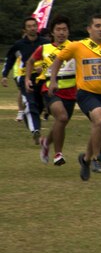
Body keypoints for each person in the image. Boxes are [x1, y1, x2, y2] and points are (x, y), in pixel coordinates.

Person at [47, 14, 101, 181]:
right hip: (86, 93)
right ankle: (95, 159)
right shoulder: (78, 46)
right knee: (100, 120)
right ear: (89, 29)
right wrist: (53, 80)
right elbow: (58, 59)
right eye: (97, 26)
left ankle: (85, 158)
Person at [29, 16, 76, 165]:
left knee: (60, 122)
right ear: (52, 32)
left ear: (68, 32)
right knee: (61, 118)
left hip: (71, 91)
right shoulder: (44, 48)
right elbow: (30, 61)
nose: (61, 33)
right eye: (58, 29)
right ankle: (58, 154)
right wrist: (27, 79)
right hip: (50, 89)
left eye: (64, 29)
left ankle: (45, 142)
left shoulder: (75, 47)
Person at [3, 15, 48, 143]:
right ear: (24, 30)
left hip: (42, 78)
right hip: (25, 78)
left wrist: (43, 67)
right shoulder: (19, 45)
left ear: (37, 27)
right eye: (29, 26)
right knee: (30, 103)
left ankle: (32, 125)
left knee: (39, 106)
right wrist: (5, 75)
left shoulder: (45, 43)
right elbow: (10, 60)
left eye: (34, 26)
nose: (32, 28)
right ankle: (36, 131)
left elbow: (51, 59)